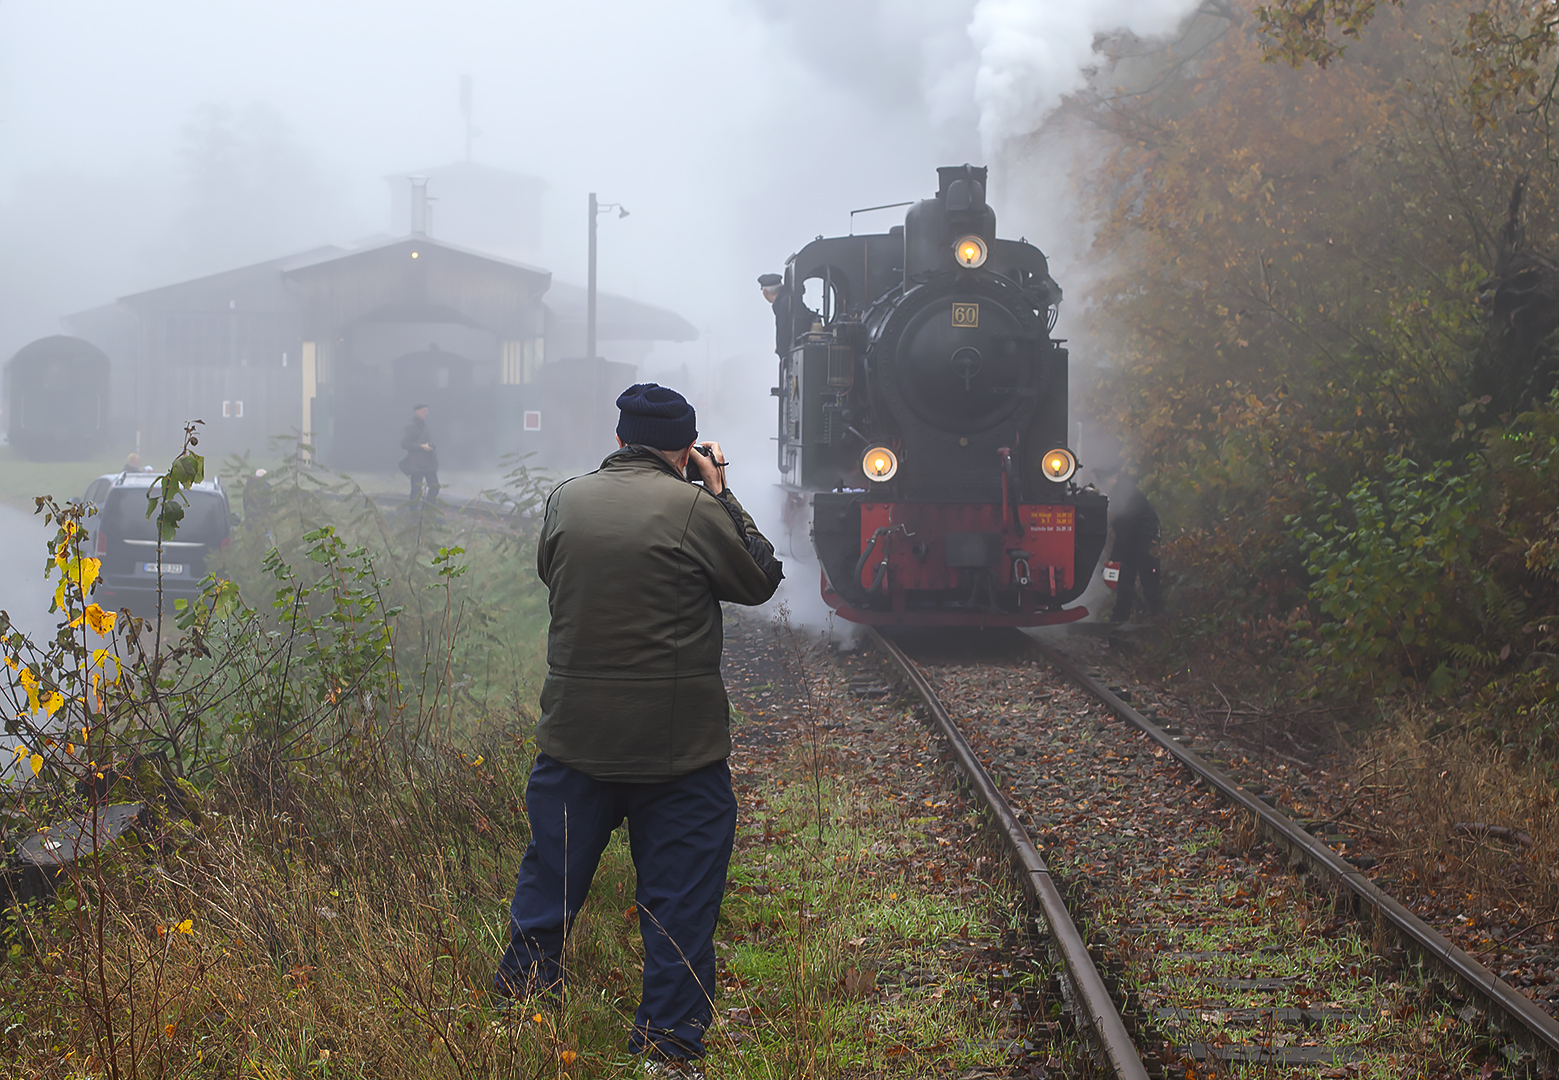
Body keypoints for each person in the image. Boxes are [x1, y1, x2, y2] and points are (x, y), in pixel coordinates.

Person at [493, 383, 783, 1073]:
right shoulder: (692, 506)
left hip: (573, 739)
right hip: (676, 753)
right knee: (678, 905)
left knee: (549, 882)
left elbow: (549, 571)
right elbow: (760, 578)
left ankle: (518, 1015)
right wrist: (718, 491)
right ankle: (667, 1047)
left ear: (620, 439)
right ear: (685, 449)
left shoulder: (566, 497)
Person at [1101, 470, 1164, 624]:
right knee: (1125, 580)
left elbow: (1125, 525)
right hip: (1132, 540)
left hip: (1144, 539)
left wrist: (1114, 557)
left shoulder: (1124, 493)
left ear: (1113, 478)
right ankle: (1121, 618)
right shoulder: (1119, 493)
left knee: (1148, 579)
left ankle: (1156, 618)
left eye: (1104, 480)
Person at [399, 403, 439, 505]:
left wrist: (430, 446)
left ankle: (428, 510)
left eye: (427, 411)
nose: (426, 413)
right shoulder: (411, 426)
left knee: (435, 487)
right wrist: (421, 446)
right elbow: (404, 444)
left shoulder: (423, 425)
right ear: (417, 411)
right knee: (416, 491)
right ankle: (413, 514)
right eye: (424, 411)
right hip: (416, 465)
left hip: (429, 463)